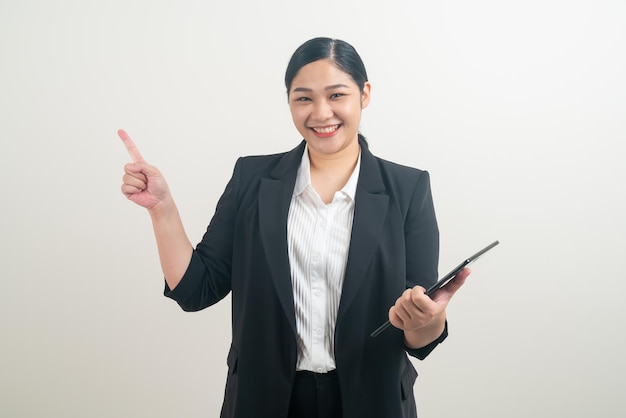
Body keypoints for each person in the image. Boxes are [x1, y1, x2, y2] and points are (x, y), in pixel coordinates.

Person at [119, 37, 471, 418]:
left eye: (337, 95)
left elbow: (417, 334)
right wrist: (163, 210)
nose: (321, 113)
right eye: (303, 98)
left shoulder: (408, 189)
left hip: (372, 401)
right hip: (265, 401)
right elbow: (196, 290)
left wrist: (427, 319)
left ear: (364, 94)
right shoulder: (252, 179)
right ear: (288, 101)